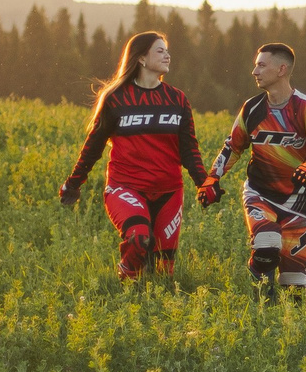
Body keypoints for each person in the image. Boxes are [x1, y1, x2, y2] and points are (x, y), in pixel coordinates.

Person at [58, 31, 203, 281]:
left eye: (167, 50)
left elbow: (189, 149)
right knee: (139, 238)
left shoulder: (177, 99)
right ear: (142, 59)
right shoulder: (116, 99)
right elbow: (93, 147)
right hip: (126, 187)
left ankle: (151, 307)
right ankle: (125, 289)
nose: (167, 55)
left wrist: (205, 183)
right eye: (160, 50)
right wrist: (73, 183)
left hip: (169, 191)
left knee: (163, 273)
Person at [199, 41, 306, 299]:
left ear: (282, 69)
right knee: (266, 246)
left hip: (298, 201)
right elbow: (233, 147)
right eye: (255, 65)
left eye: (261, 65)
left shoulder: (305, 107)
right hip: (259, 193)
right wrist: (211, 179)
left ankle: (287, 326)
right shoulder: (252, 108)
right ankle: (259, 299)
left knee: (294, 286)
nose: (255, 71)